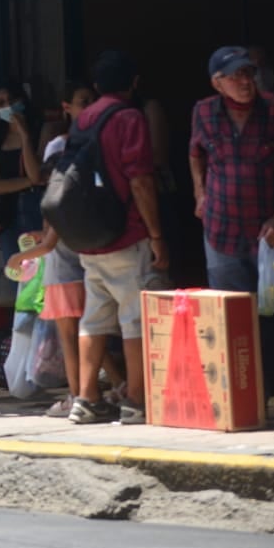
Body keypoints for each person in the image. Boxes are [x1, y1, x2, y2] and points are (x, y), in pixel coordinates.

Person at [189, 45, 274, 419]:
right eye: (235, 76)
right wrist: (200, 192)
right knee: (233, 320)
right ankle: (243, 399)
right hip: (221, 235)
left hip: (270, 236)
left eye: (248, 73)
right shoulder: (203, 112)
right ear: (217, 83)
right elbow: (195, 153)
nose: (245, 82)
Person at [65, 51, 167, 426]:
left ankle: (86, 398)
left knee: (94, 318)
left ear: (95, 86)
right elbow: (140, 179)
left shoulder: (85, 117)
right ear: (134, 83)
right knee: (134, 319)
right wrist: (156, 235)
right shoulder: (129, 117)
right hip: (126, 233)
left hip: (89, 236)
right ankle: (136, 401)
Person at [9, 82, 99, 417]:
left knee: (71, 342)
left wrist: (20, 257)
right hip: (77, 273)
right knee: (90, 336)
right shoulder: (74, 201)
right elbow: (50, 236)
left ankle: (78, 395)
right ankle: (104, 387)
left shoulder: (55, 203)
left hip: (61, 279)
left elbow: (47, 244)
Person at [0, 83, 44, 253]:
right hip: (9, 214)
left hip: (39, 210)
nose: (7, 106)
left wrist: (25, 136)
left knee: (43, 274)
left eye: (12, 100)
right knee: (16, 272)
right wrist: (30, 182)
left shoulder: (42, 130)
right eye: (0, 103)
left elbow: (36, 172)